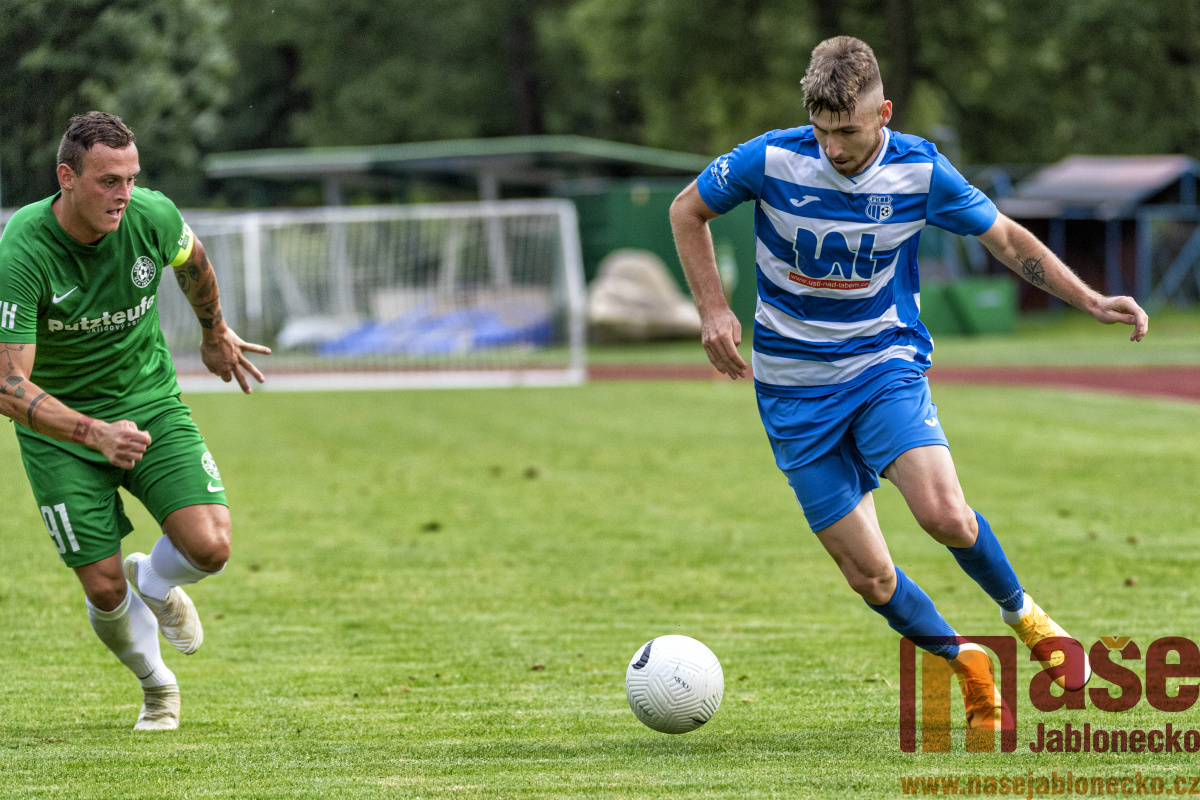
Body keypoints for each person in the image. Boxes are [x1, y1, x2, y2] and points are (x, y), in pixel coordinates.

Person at [670, 37, 1149, 731]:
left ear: (884, 113)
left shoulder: (920, 171)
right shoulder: (770, 159)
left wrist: (1092, 300)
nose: (833, 148)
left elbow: (1006, 238)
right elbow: (687, 209)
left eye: (848, 131)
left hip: (882, 367)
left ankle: (1029, 619)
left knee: (944, 514)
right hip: (791, 391)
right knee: (870, 577)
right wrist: (713, 309)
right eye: (822, 130)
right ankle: (967, 662)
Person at [0, 112, 270, 730]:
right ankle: (156, 685)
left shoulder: (151, 215)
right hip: (60, 431)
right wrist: (94, 433)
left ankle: (152, 578)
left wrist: (214, 331)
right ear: (66, 177)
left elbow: (192, 258)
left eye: (131, 179)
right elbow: (8, 384)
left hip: (149, 403)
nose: (123, 194)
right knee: (101, 587)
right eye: (108, 181)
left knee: (211, 546)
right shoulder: (23, 249)